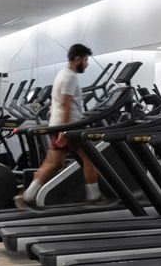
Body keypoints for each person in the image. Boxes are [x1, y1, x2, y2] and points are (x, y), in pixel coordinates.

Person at [17, 43, 101, 208]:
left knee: (52, 163)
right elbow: (65, 105)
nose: (87, 64)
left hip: (58, 125)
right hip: (71, 127)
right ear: (78, 58)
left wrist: (58, 128)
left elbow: (56, 104)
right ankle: (94, 197)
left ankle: (27, 196)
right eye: (86, 60)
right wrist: (64, 132)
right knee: (91, 160)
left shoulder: (62, 74)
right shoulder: (70, 77)